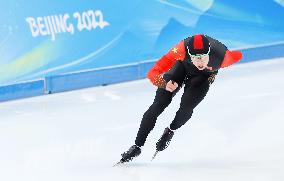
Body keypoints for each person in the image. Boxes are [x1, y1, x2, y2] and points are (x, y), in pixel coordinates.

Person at [116, 34, 243, 164]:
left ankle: (170, 130)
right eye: (195, 58)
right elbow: (152, 73)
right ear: (189, 53)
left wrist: (213, 70)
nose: (200, 62)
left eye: (203, 57)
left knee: (187, 107)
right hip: (181, 67)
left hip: (203, 77)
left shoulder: (224, 56)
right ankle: (137, 146)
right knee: (158, 104)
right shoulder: (179, 50)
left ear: (209, 53)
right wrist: (163, 84)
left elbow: (238, 55)